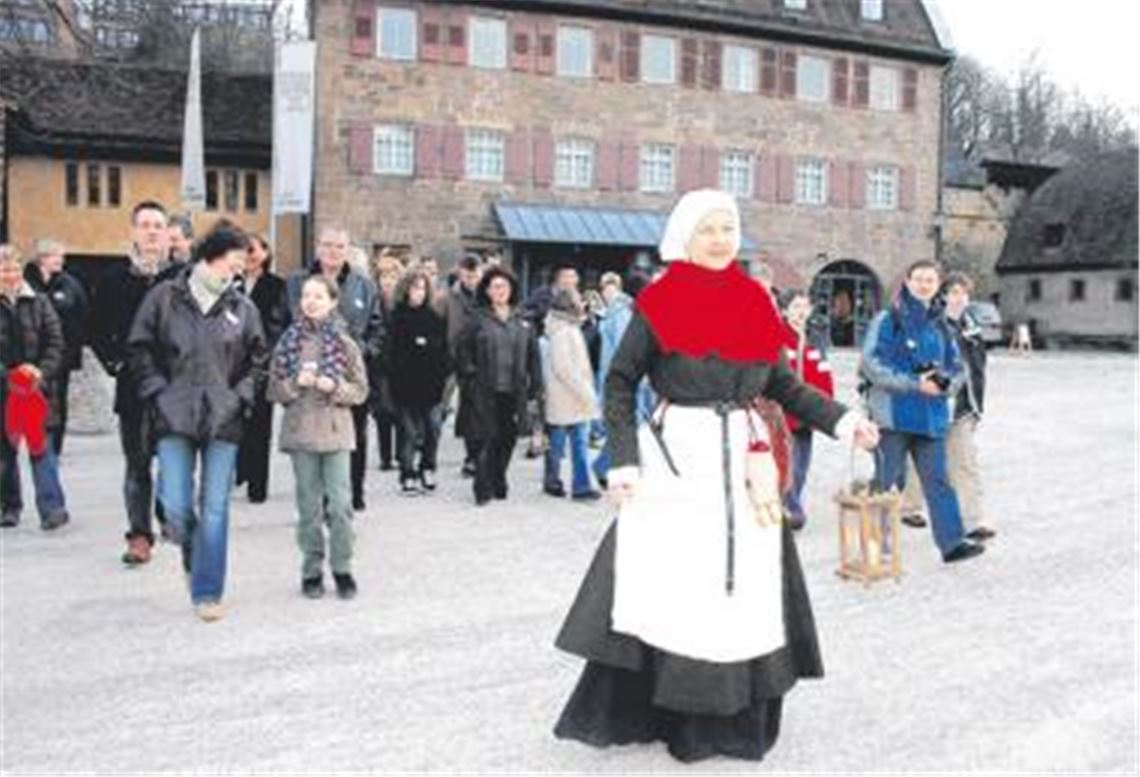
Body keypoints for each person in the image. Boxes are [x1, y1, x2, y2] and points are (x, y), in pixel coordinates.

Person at [553, 190, 879, 763]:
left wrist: (844, 420)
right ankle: (668, 714)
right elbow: (621, 382)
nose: (721, 239)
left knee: (743, 586)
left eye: (728, 228)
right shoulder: (659, 300)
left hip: (746, 460)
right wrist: (623, 459)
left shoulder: (754, 299)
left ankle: (734, 718)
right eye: (708, 229)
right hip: (678, 457)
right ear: (685, 236)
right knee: (677, 584)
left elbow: (782, 384)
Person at [127, 225, 267, 622]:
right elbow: (139, 349)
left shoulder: (243, 308)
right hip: (173, 416)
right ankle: (193, 550)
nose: (240, 268)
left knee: (216, 508)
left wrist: (239, 397)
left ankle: (207, 591)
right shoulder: (164, 297)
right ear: (213, 254)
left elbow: (259, 362)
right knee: (174, 505)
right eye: (235, 259)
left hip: (224, 420)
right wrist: (157, 391)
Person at [859, 259, 985, 564]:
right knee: (886, 481)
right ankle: (872, 548)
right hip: (893, 417)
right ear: (908, 280)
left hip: (931, 418)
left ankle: (952, 544)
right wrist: (916, 383)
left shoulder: (942, 325)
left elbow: (957, 368)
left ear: (937, 285)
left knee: (938, 481)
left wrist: (946, 384)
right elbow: (872, 365)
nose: (924, 285)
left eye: (930, 280)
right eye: (919, 279)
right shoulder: (887, 319)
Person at [89, 200, 181, 565]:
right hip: (133, 388)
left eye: (158, 225)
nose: (152, 232)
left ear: (167, 233)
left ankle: (167, 513)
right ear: (134, 231)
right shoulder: (114, 278)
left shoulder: (184, 278)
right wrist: (114, 362)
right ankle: (139, 536)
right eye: (145, 225)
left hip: (175, 388)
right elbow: (96, 327)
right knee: (138, 464)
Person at [268, 275, 368, 601]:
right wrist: (295, 383)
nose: (311, 302)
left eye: (319, 296)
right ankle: (311, 570)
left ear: (333, 302)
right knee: (308, 508)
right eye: (306, 296)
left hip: (336, 433)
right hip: (302, 434)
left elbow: (361, 390)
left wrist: (336, 387)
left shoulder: (345, 343)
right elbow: (273, 389)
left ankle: (342, 568)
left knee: (340, 506)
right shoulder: (288, 342)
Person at [286, 227, 385, 512]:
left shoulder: (364, 286)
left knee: (353, 438)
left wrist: (362, 352)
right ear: (318, 247)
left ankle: (349, 497)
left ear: (347, 250)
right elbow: (283, 324)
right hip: (309, 378)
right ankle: (315, 501)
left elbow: (378, 329)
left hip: (348, 378)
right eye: (328, 245)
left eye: (340, 246)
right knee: (311, 440)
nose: (333, 251)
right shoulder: (296, 282)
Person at [898, 272, 992, 541]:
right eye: (954, 293)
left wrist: (976, 408)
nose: (959, 299)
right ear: (943, 296)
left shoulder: (971, 329)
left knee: (964, 463)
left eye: (964, 294)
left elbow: (978, 372)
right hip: (932, 406)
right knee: (919, 459)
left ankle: (971, 521)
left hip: (962, 408)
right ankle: (908, 506)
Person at [456, 266, 542, 506]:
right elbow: (462, 352)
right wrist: (470, 378)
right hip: (485, 391)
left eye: (504, 286)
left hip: (514, 391)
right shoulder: (477, 319)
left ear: (512, 290)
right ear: (487, 291)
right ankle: (482, 487)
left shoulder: (523, 320)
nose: (500, 290)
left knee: (508, 439)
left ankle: (499, 476)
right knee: (486, 438)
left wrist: (536, 386)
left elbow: (533, 357)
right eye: (495, 286)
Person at [0, 244, 70, 531]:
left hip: (37, 390)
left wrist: (39, 372)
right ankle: (9, 507)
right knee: (4, 454)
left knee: (43, 450)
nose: (10, 274)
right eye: (4, 270)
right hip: (4, 391)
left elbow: (56, 342)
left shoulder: (40, 302)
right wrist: (11, 376)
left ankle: (52, 509)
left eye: (14, 268)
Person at [233, 233, 288, 504]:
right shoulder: (231, 282)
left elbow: (280, 323)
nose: (249, 255)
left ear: (266, 253)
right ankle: (239, 472)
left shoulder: (276, 285)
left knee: (259, 424)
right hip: (232, 364)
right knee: (234, 421)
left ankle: (257, 486)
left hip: (262, 362)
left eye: (253, 249)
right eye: (244, 250)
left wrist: (267, 355)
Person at [23, 239, 90, 454]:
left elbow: (83, 315)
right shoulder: (25, 282)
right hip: (29, 355)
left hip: (62, 354)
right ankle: (34, 441)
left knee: (58, 400)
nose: (61, 260)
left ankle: (54, 447)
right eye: (56, 256)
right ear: (42, 258)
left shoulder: (70, 284)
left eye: (62, 256)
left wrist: (74, 346)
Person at [387, 270, 449, 495]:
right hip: (404, 386)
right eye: (414, 288)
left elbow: (442, 351)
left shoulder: (434, 318)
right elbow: (392, 353)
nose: (419, 293)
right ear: (405, 290)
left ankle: (427, 467)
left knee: (433, 428)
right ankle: (407, 472)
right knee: (409, 432)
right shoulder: (396, 318)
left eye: (422, 288)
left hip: (431, 386)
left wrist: (440, 372)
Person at [778, 288, 835, 530]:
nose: (801, 312)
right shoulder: (778, 336)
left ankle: (791, 504)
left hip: (808, 414)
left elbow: (824, 373)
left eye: (805, 306)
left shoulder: (815, 338)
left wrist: (827, 408)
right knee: (787, 462)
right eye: (796, 307)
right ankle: (792, 509)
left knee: (801, 466)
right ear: (784, 311)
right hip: (784, 413)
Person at [541, 287, 603, 502]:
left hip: (572, 398)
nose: (583, 303)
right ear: (569, 304)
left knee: (576, 445)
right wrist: (586, 392)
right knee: (559, 447)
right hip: (567, 396)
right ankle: (554, 482)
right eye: (578, 299)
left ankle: (580, 486)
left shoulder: (568, 327)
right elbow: (564, 368)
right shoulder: (562, 331)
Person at [447, 254, 484, 477]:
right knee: (459, 409)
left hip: (481, 361)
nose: (472, 280)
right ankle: (471, 455)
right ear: (460, 273)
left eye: (475, 276)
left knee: (478, 411)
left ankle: (475, 457)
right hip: (454, 359)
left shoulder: (487, 295)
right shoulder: (449, 297)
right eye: (468, 276)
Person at [370, 251, 405, 471]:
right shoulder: (374, 301)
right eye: (384, 276)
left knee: (401, 410)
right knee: (383, 410)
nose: (388, 281)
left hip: (402, 364)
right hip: (380, 363)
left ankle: (401, 454)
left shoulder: (403, 303)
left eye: (393, 277)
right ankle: (385, 456)